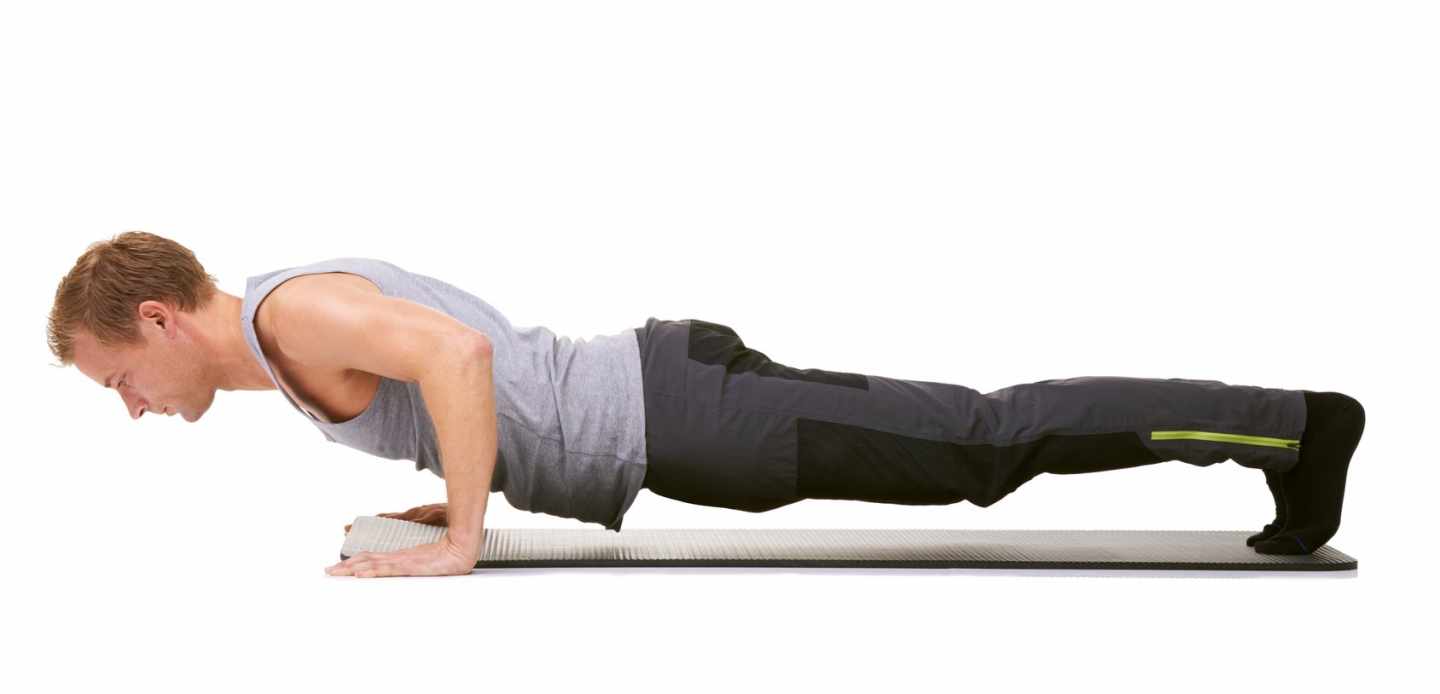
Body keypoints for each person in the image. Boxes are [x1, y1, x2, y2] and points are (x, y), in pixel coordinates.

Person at [48, 232, 1366, 577]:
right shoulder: (284, 337)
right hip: (674, 410)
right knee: (976, 441)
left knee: (982, 440)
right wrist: (455, 496)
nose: (135, 408)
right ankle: (1292, 430)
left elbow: (459, 355)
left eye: (119, 380)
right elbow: (461, 380)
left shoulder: (287, 315)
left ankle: (1298, 424)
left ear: (158, 319)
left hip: (682, 415)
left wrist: (460, 535)